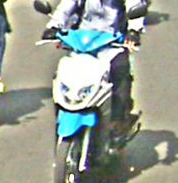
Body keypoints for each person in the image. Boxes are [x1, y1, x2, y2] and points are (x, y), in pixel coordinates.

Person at [42, 0, 146, 137]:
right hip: (82, 42)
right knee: (65, 73)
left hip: (112, 43)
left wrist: (133, 31)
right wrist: (53, 26)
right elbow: (67, 6)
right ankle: (63, 112)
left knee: (120, 70)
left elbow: (135, 6)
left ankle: (118, 121)